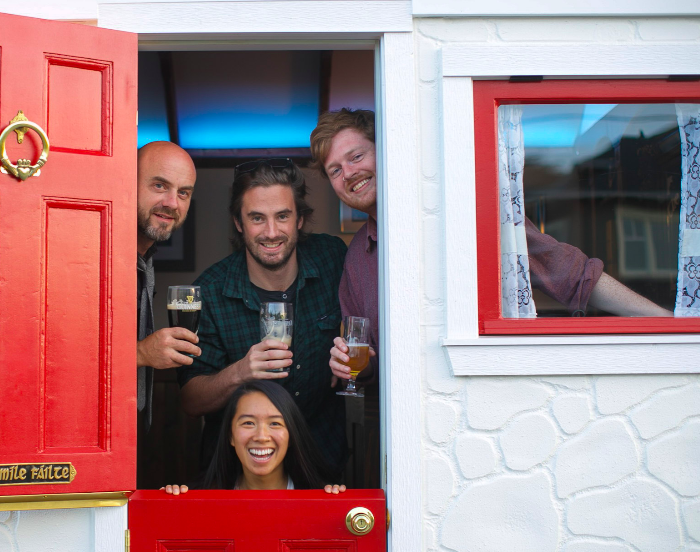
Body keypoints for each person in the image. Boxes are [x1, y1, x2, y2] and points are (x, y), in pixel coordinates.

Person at [308, 108, 671, 386]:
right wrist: (355, 366)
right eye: (335, 170)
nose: (348, 173)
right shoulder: (356, 258)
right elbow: (367, 362)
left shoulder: (466, 213)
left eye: (356, 156)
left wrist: (670, 323)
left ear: (386, 151)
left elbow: (573, 276)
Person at [177, 158, 348, 479]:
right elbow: (190, 400)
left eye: (282, 216)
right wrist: (240, 372)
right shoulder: (208, 291)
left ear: (299, 219)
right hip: (239, 474)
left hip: (323, 465)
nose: (271, 232)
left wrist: (353, 355)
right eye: (257, 218)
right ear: (239, 223)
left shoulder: (332, 258)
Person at [162, 381, 346, 494]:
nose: (261, 436)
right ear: (230, 435)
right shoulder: (203, 498)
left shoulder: (318, 497)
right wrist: (170, 504)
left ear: (291, 436)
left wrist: (336, 503)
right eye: (248, 423)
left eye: (275, 423)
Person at [136, 141, 200, 430]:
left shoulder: (145, 257)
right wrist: (140, 353)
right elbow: (55, 352)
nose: (173, 203)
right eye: (160, 185)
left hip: (129, 433)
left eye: (183, 192)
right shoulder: (94, 253)